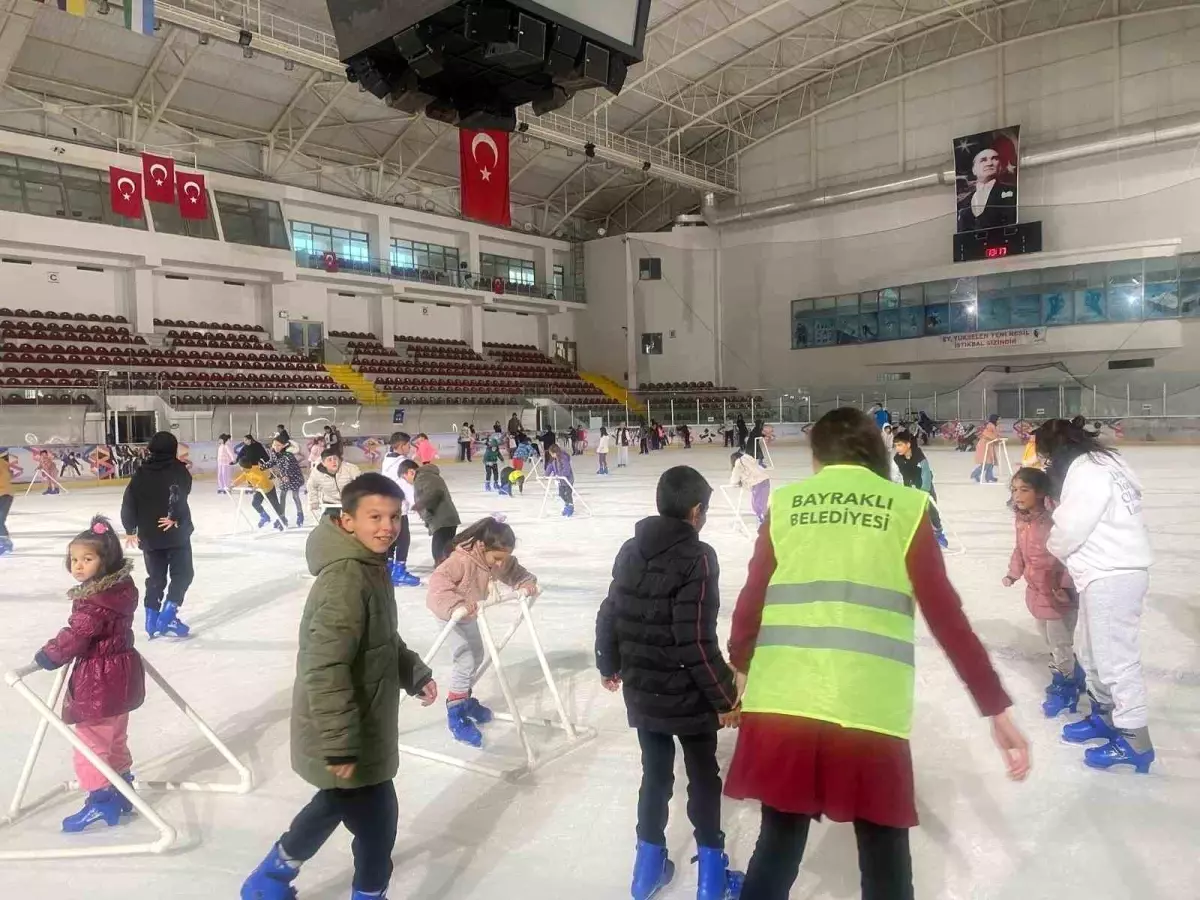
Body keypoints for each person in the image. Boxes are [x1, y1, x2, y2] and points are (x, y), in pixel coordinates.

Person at [724, 408, 1029, 900]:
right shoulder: (906, 508)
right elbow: (946, 616)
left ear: (817, 456)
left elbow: (749, 605)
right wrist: (993, 703)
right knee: (885, 859)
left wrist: (741, 667)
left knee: (778, 845)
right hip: (867, 709)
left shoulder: (786, 503)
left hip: (783, 701)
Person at [240, 474, 438, 900]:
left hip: (359, 724)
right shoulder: (347, 578)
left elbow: (380, 639)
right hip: (347, 730)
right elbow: (325, 665)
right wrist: (341, 744)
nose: (387, 527)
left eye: (394, 517)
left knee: (335, 805)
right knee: (377, 825)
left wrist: (413, 672)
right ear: (347, 521)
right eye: (374, 517)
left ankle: (270, 877)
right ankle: (366, 892)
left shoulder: (369, 565)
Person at [595, 466, 744, 900]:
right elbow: (694, 639)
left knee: (655, 774)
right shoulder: (698, 557)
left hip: (643, 687)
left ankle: (646, 872)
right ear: (696, 511)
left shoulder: (630, 549)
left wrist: (609, 663)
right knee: (703, 776)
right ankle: (712, 880)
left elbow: (610, 611)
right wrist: (725, 696)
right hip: (688, 694)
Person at [1037, 419, 1155, 772]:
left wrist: (1053, 543)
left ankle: (1135, 738)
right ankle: (1105, 714)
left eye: (1046, 458)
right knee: (1091, 650)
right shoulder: (1107, 460)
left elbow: (1070, 528)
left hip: (1112, 572)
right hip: (1106, 571)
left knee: (1116, 657)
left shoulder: (1087, 471)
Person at [34, 516, 145, 833]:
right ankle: (123, 788)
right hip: (123, 674)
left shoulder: (94, 600)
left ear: (105, 560)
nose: (78, 566)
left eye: (87, 559)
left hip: (99, 679)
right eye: (74, 559)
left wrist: (50, 654)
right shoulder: (121, 590)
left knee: (90, 744)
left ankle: (101, 800)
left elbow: (78, 633)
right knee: (115, 737)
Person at [426, 518, 538, 747]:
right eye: (496, 559)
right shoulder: (461, 560)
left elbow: (513, 571)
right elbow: (437, 584)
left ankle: (464, 698)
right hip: (449, 613)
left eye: (503, 559)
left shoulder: (496, 559)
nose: (499, 565)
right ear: (482, 548)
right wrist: (455, 605)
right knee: (465, 659)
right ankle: (455, 712)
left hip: (468, 613)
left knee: (476, 653)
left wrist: (525, 583)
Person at [1004, 467, 1082, 717]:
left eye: (1024, 490)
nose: (1017, 495)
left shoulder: (1053, 521)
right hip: (1036, 590)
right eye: (1014, 489)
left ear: (1039, 493)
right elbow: (1020, 550)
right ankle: (1074, 673)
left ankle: (1066, 689)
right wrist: (1014, 573)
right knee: (1049, 639)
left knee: (1060, 644)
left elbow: (1070, 556)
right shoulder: (1022, 520)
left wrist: (1067, 587)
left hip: (1058, 592)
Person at [120, 432, 194, 640]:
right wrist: (174, 516)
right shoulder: (179, 470)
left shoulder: (141, 473)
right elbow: (180, 493)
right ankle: (168, 616)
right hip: (175, 533)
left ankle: (151, 620)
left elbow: (129, 501)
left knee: (155, 578)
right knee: (183, 574)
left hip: (149, 535)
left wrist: (130, 529)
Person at [892, 430, 948, 549]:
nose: (897, 448)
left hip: (923, 486)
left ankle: (939, 534)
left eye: (900, 445)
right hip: (909, 488)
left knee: (931, 510)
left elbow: (926, 473)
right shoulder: (897, 459)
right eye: (896, 445)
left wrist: (925, 490)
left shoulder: (918, 455)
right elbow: (896, 475)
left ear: (908, 444)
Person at [380, 432, 420, 588]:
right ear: (402, 445)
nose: (409, 448)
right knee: (403, 539)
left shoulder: (387, 459)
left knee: (390, 538)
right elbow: (407, 485)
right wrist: (416, 504)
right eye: (408, 445)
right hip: (399, 508)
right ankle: (399, 572)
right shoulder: (403, 463)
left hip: (386, 505)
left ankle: (388, 568)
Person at [956, 146, 1017, 233]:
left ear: (1001, 166)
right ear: (974, 170)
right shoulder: (962, 203)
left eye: (994, 159)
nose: (989, 163)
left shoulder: (1014, 192)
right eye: (983, 160)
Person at [411, 460, 461, 564]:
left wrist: (422, 505)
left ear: (410, 472)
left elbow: (435, 493)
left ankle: (442, 572)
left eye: (403, 477)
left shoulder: (422, 477)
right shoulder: (430, 475)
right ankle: (448, 570)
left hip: (441, 520)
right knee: (446, 549)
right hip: (448, 519)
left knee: (439, 551)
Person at [306, 448, 362, 520]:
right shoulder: (317, 473)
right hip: (331, 503)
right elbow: (311, 486)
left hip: (349, 502)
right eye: (329, 460)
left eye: (335, 459)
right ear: (323, 463)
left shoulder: (350, 468)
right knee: (329, 523)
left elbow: (362, 483)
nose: (333, 462)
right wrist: (313, 501)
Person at [234, 459, 286, 531]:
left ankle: (282, 520)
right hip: (260, 490)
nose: (240, 468)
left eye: (241, 466)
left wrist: (257, 485)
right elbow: (241, 478)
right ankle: (265, 516)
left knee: (275, 505)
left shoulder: (255, 470)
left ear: (244, 467)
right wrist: (233, 484)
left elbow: (262, 478)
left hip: (268, 489)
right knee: (255, 503)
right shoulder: (246, 472)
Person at [268, 436, 306, 528]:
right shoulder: (274, 452)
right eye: (274, 444)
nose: (275, 447)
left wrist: (285, 475)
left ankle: (300, 515)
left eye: (278, 445)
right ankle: (282, 517)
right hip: (284, 477)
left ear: (283, 445)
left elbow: (289, 466)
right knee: (282, 496)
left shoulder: (288, 453)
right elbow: (272, 462)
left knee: (295, 496)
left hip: (293, 476)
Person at [730, 449, 771, 525]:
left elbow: (735, 476)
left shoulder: (739, 462)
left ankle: (765, 520)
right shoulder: (749, 459)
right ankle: (763, 519)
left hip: (758, 483)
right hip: (765, 480)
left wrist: (734, 482)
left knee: (757, 504)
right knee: (761, 503)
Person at [544, 443, 575, 517]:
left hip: (568, 480)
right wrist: (546, 475)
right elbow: (550, 467)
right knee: (561, 494)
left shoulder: (563, 458)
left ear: (555, 452)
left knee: (568, 494)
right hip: (560, 481)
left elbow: (566, 470)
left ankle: (570, 507)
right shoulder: (554, 460)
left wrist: (560, 475)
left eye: (551, 454)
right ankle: (567, 505)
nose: (551, 455)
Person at [971, 414, 1001, 483]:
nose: (999, 421)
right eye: (998, 419)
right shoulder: (990, 426)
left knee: (991, 462)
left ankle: (989, 476)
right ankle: (975, 474)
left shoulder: (993, 426)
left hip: (989, 445)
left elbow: (995, 435)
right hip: (984, 446)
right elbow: (988, 435)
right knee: (987, 463)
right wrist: (997, 439)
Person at [0, 449, 13, 556]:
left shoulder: (2, 464)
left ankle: (5, 542)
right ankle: (5, 541)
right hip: (5, 494)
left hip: (4, 495)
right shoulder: (4, 463)